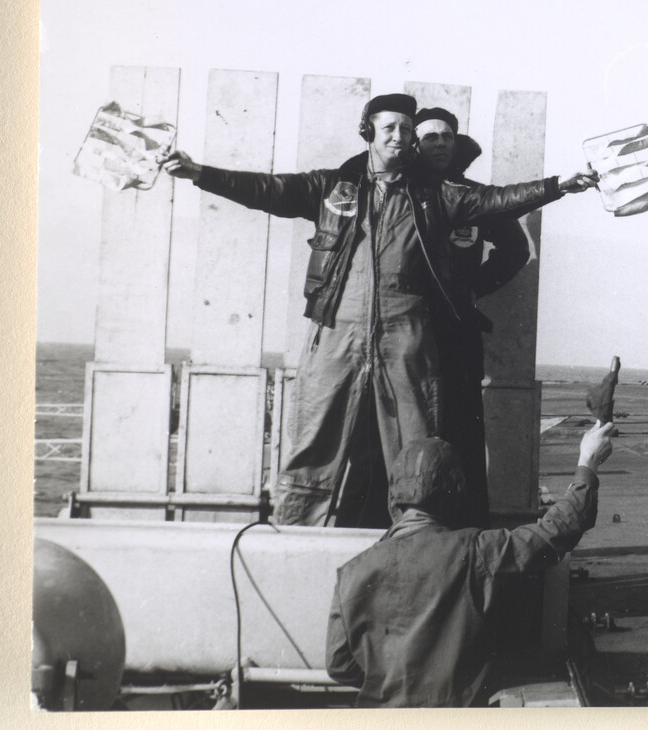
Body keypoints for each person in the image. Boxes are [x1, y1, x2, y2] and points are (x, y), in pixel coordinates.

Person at [162, 93, 598, 527]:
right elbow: (268, 189)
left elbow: (498, 200)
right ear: (367, 131)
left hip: (406, 332)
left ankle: (415, 539)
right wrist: (199, 173)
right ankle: (294, 537)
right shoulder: (330, 187)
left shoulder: (436, 195)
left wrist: (560, 185)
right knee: (316, 439)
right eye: (389, 127)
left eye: (406, 129)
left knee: (414, 445)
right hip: (337, 329)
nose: (399, 136)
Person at [325, 425, 613, 707]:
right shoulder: (477, 552)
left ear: (394, 497)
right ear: (454, 493)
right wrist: (587, 462)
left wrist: (392, 681)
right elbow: (559, 529)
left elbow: (339, 665)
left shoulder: (351, 573)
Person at [412, 107, 534, 526]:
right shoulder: (399, 192)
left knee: (463, 429)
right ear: (414, 143)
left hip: (458, 330)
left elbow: (517, 251)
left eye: (447, 136)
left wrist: (472, 289)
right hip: (406, 327)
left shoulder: (473, 197)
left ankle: (467, 528)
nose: (440, 143)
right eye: (430, 137)